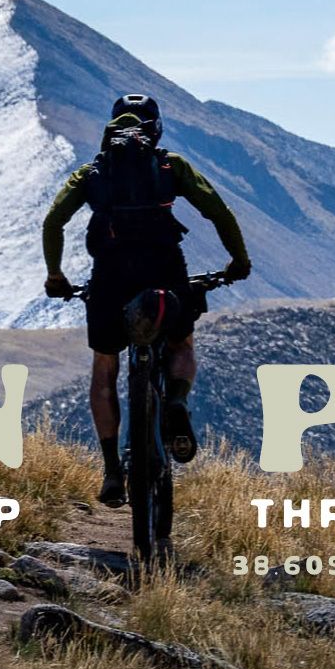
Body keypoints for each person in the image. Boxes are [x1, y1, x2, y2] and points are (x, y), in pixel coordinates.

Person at [42, 93, 251, 507]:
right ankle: (175, 400)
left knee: (105, 367)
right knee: (181, 343)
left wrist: (55, 275)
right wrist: (238, 261)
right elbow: (219, 212)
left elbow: (54, 221)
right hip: (164, 273)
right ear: (155, 129)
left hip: (109, 279)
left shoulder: (93, 172)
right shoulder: (171, 166)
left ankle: (110, 471)